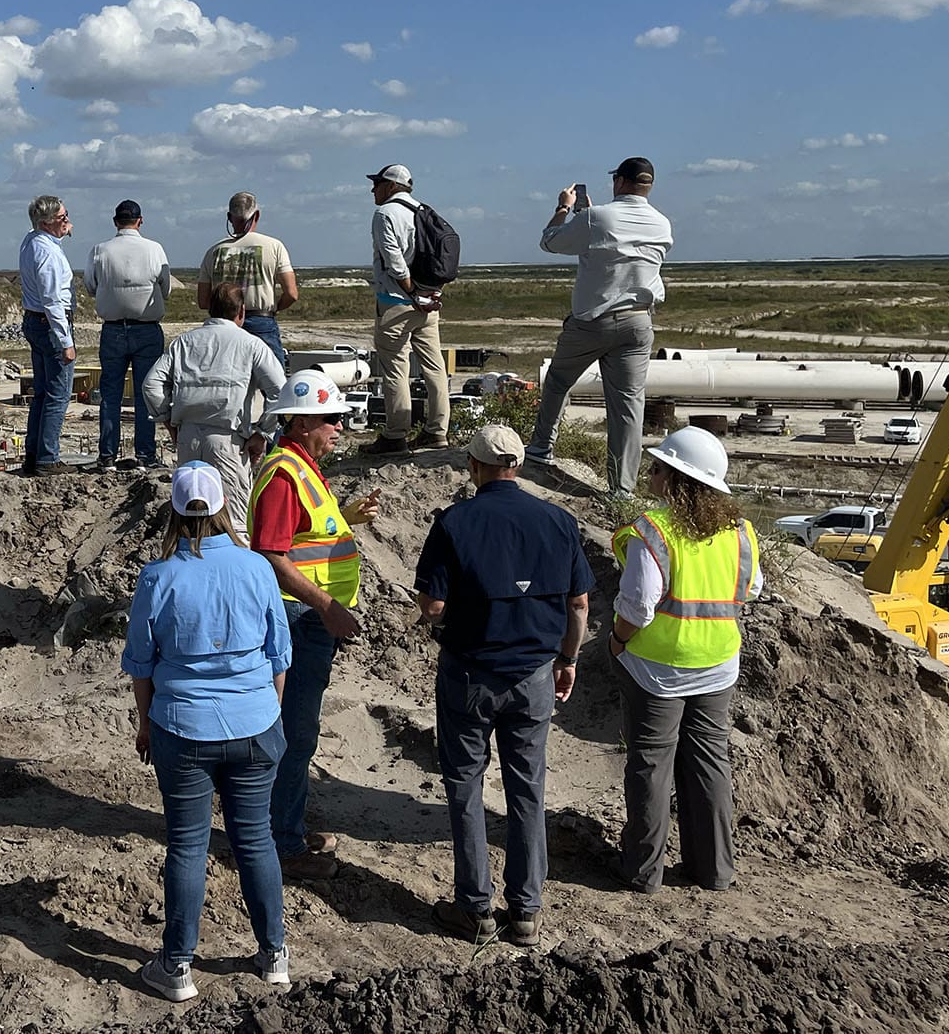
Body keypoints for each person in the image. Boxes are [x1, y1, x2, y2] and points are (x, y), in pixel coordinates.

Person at [414, 425, 593, 945]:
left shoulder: (454, 522)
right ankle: (527, 911)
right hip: (534, 674)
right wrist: (568, 658)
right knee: (527, 790)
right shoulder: (559, 521)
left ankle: (474, 908)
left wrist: (437, 623)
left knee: (465, 786)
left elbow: (433, 606)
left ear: (473, 467)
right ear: (518, 465)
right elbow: (579, 605)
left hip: (469, 671)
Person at [123, 462, 293, 1002]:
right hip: (255, 724)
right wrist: (271, 714)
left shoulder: (157, 577)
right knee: (255, 839)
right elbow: (279, 655)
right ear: (224, 505)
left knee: (188, 846)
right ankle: (273, 955)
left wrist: (148, 726)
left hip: (183, 725)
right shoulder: (258, 570)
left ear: (173, 509)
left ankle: (176, 967)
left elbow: (141, 666)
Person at [609, 427, 761, 895]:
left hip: (658, 670)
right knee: (710, 762)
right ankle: (714, 869)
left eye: (658, 468)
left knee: (651, 765)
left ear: (677, 480)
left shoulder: (654, 532)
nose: (651, 474)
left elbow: (637, 606)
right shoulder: (740, 534)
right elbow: (750, 590)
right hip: (718, 664)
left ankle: (642, 870)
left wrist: (616, 641)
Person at [247, 371, 384, 881]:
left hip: (308, 620)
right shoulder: (285, 473)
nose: (340, 428)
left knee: (297, 729)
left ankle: (286, 826)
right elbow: (271, 553)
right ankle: (281, 842)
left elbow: (305, 537)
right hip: (298, 618)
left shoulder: (302, 466)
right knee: (294, 731)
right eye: (332, 418)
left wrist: (348, 516)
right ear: (302, 421)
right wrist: (326, 605)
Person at [525, 157, 673, 498]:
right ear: (648, 185)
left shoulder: (597, 217)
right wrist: (588, 219)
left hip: (593, 320)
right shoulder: (662, 224)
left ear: (619, 181)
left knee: (559, 381)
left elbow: (550, 241)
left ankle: (540, 450)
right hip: (639, 322)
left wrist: (565, 209)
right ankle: (621, 489)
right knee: (627, 406)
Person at [142, 284, 286, 523]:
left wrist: (168, 422)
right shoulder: (251, 344)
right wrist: (262, 433)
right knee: (234, 521)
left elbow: (151, 385)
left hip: (188, 439)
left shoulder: (184, 343)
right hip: (227, 443)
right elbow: (280, 391)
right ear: (241, 312)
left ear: (210, 309)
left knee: (190, 519)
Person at [367, 164, 450, 457]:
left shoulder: (385, 214)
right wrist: (427, 294)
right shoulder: (424, 211)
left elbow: (394, 262)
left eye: (377, 184)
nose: (372, 189)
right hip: (428, 302)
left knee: (395, 369)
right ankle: (437, 431)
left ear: (390, 186)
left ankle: (395, 435)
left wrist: (411, 292)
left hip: (396, 301)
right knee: (435, 366)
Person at [84, 199, 172, 471]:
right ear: (140, 221)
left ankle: (107, 455)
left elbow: (90, 286)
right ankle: (145, 455)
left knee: (110, 393)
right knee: (147, 392)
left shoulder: (100, 250)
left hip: (112, 330)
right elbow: (165, 287)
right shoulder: (154, 249)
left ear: (115, 222)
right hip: (146, 328)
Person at [197, 192, 297, 369]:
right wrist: (275, 308)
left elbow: (203, 301)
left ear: (229, 217)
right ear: (257, 215)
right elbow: (291, 293)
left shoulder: (213, 251)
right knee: (275, 384)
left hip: (224, 323)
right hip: (261, 320)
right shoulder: (275, 246)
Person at [19, 194, 76, 475]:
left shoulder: (33, 241)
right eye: (63, 218)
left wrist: (62, 232)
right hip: (51, 324)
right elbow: (52, 299)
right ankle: (47, 458)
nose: (68, 221)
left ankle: (34, 453)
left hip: (34, 321)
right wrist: (66, 342)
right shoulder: (48, 253)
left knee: (41, 393)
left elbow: (46, 237)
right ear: (46, 223)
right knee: (58, 394)